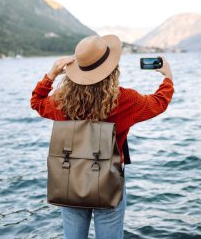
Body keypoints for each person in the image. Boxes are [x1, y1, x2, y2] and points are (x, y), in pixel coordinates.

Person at [30, 34, 174, 239]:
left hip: (71, 180)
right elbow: (160, 102)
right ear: (112, 69)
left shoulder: (61, 101)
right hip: (109, 179)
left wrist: (51, 75)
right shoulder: (125, 100)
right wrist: (167, 77)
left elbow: (37, 102)